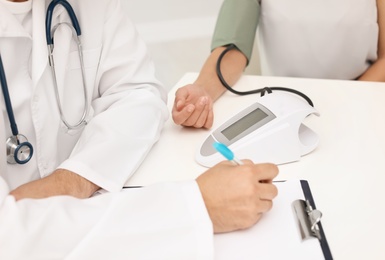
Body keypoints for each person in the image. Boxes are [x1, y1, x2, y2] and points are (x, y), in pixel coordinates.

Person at [0, 0, 278, 258]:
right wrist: (195, 207)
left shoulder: (91, 6)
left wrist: (71, 181)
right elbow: (11, 236)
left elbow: (139, 92)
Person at [172, 0, 385, 129]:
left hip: (362, 105)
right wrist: (202, 92)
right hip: (284, 109)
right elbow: (233, 47)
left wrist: (340, 103)